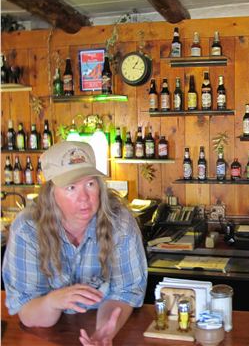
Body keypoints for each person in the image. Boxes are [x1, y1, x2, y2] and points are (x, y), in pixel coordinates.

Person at [2, 141, 148, 345]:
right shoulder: (27, 229)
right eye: (71, 187)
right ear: (51, 193)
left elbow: (125, 291)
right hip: (45, 335)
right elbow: (28, 312)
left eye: (90, 184)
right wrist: (54, 301)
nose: (85, 198)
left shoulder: (120, 222)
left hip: (99, 325)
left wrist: (106, 331)